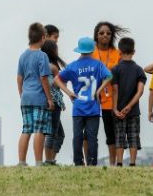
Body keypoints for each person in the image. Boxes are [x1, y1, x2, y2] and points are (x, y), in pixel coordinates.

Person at [53, 37, 112, 166]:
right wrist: (99, 90)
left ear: (79, 50)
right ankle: (92, 162)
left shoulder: (73, 66)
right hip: (94, 107)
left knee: (78, 137)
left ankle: (78, 162)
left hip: (78, 107)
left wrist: (69, 93)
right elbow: (109, 76)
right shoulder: (98, 65)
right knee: (92, 138)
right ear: (92, 50)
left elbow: (57, 80)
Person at [90, 21, 128, 166]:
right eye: (101, 33)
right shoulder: (90, 53)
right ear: (96, 35)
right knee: (89, 132)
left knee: (111, 133)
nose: (105, 35)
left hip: (111, 99)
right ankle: (89, 162)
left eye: (108, 33)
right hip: (92, 98)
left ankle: (114, 163)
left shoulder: (117, 54)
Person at [17, 22, 54, 166]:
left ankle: (21, 161)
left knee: (26, 129)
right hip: (39, 97)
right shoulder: (42, 56)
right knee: (39, 129)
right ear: (43, 38)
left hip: (26, 97)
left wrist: (21, 94)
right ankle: (39, 162)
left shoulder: (23, 56)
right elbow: (44, 78)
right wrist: (49, 99)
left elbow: (19, 78)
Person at [111, 37, 147, 166]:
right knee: (133, 137)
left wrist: (115, 109)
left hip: (118, 110)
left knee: (120, 137)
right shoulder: (138, 70)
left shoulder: (115, 69)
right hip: (133, 111)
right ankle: (132, 163)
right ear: (134, 51)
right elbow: (140, 91)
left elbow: (115, 90)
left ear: (119, 51)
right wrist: (130, 106)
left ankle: (119, 163)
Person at [41, 40, 66, 165]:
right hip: (53, 102)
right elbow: (59, 84)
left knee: (59, 134)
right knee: (52, 133)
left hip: (50, 101)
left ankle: (51, 159)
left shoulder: (44, 65)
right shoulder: (53, 67)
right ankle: (48, 160)